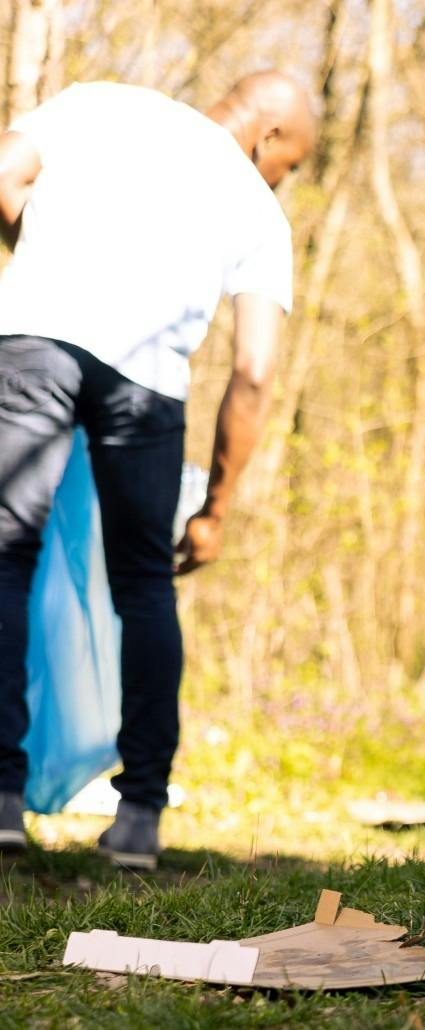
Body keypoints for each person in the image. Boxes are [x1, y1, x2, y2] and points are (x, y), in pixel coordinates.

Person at [0, 72, 315, 868]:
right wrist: (214, 507)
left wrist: (35, 259)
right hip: (146, 386)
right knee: (145, 584)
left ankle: (2, 796)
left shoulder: (101, 103)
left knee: (5, 559)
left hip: (32, 340)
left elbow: (4, 172)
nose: (284, 180)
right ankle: (139, 813)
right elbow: (252, 371)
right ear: (269, 137)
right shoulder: (255, 207)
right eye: (293, 164)